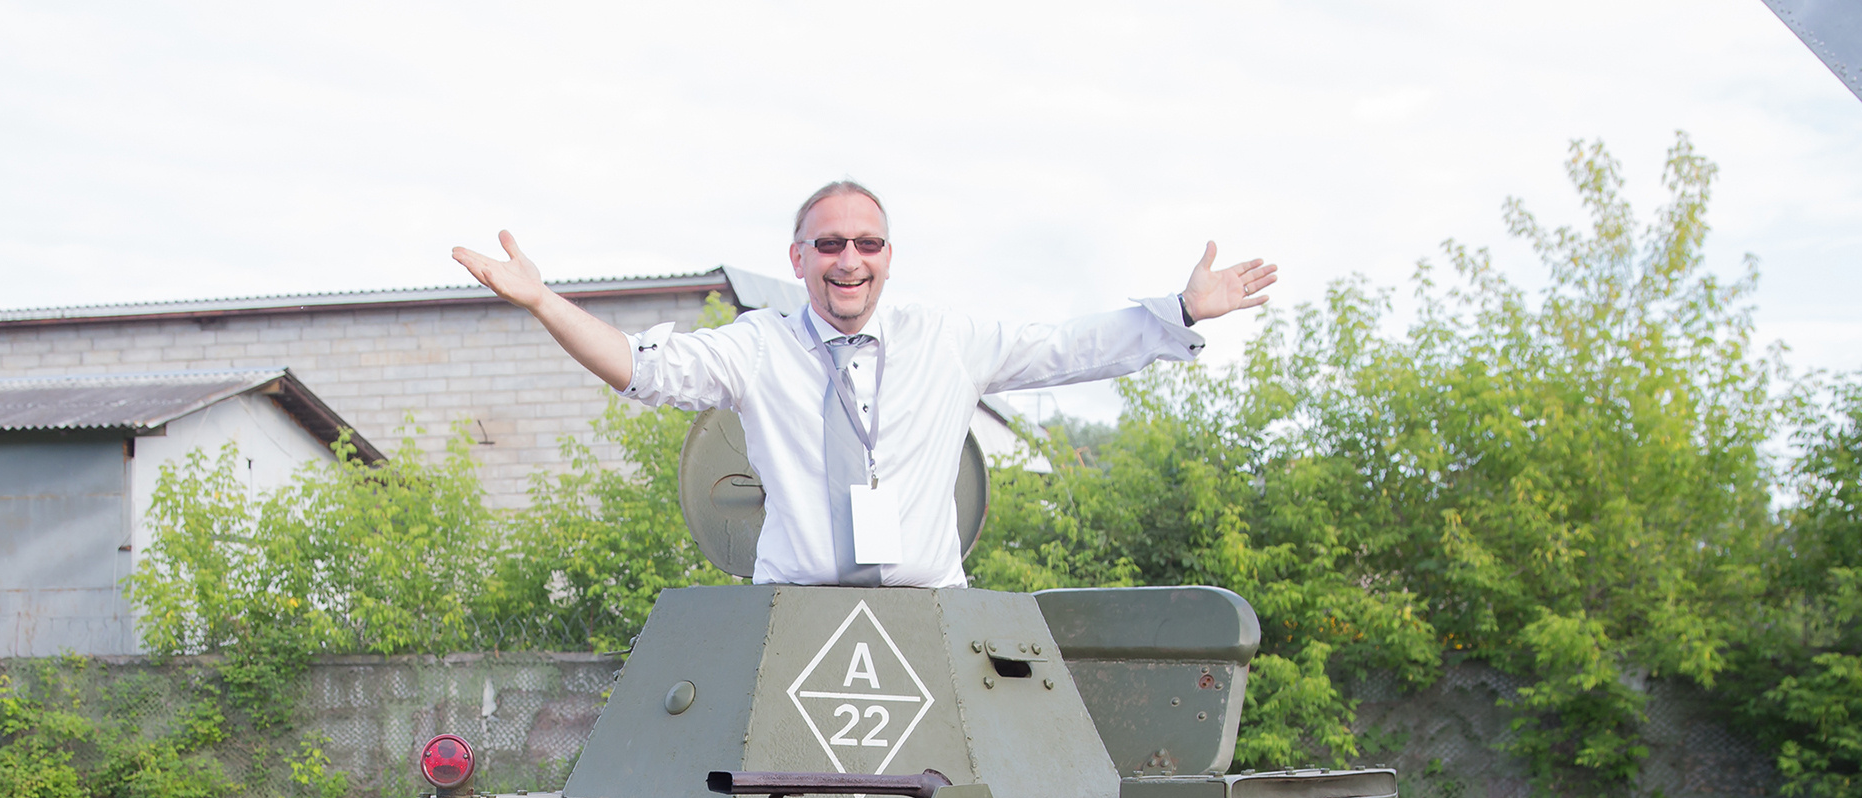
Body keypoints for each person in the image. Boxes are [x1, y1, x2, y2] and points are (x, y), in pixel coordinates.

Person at [454, 181, 1274, 588]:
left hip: (930, 624)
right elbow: (642, 368)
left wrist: (1178, 312)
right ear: (798, 258)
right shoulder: (758, 348)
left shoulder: (948, 341)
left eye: (868, 244)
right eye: (830, 244)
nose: (850, 260)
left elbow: (1067, 349)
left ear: (888, 256)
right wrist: (543, 301)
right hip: (793, 622)